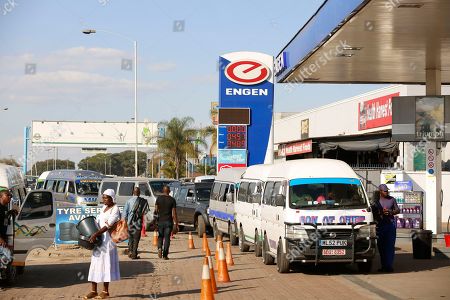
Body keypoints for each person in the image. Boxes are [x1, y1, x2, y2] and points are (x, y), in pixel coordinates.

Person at [84, 189, 121, 299]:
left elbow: (108, 225)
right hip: (99, 240)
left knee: (106, 264)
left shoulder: (115, 209)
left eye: (106, 197)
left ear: (112, 198)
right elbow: (99, 222)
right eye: (103, 197)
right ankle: (93, 290)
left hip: (107, 241)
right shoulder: (103, 208)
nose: (103, 199)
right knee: (95, 264)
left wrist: (96, 234)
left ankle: (105, 291)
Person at [373, 184, 400, 273]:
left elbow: (398, 210)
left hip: (390, 226)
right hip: (380, 226)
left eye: (387, 190)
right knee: (381, 247)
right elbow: (373, 213)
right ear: (380, 191)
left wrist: (391, 212)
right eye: (385, 191)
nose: (387, 192)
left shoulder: (392, 199)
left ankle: (389, 266)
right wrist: (379, 214)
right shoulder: (376, 201)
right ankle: (384, 266)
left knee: (389, 246)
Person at [123, 187, 149, 259]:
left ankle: (130, 251)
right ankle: (134, 254)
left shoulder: (128, 201)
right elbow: (146, 211)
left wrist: (124, 223)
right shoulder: (143, 201)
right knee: (136, 238)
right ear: (139, 193)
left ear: (133, 192)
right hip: (138, 222)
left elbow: (125, 214)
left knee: (130, 237)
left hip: (129, 222)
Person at [154, 186, 179, 260]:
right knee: (167, 238)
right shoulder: (172, 200)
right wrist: (176, 223)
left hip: (160, 221)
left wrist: (155, 221)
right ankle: (165, 255)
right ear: (169, 191)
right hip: (168, 222)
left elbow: (155, 211)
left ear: (163, 191)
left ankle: (159, 248)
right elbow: (174, 213)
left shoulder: (158, 199)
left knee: (160, 236)